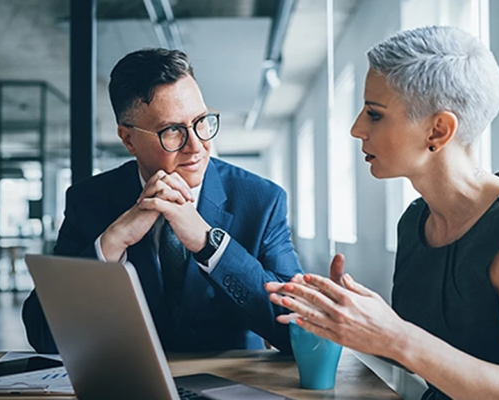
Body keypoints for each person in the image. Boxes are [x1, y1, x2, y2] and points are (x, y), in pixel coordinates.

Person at [266, 26, 499, 400]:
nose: (356, 129)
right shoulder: (415, 221)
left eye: (374, 114)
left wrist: (395, 336)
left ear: (438, 130)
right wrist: (348, 319)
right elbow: (431, 356)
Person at [23, 48, 303, 353]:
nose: (196, 146)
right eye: (172, 131)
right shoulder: (88, 201)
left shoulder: (262, 201)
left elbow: (296, 329)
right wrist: (112, 242)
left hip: (231, 388)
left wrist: (210, 245)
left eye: (201, 121)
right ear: (128, 139)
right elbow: (43, 335)